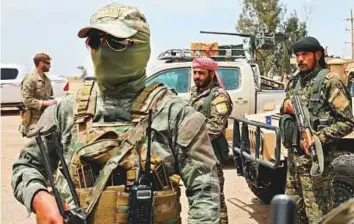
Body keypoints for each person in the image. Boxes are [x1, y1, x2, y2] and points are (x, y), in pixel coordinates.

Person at [11, 2, 221, 224]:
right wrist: (39, 197)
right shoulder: (65, 112)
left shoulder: (176, 115)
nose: (102, 51)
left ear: (141, 48)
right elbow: (26, 165)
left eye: (116, 42)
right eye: (94, 41)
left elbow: (205, 193)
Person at [280, 36, 354, 223]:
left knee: (318, 217)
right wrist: (285, 105)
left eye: (305, 54)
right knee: (292, 215)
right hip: (294, 163)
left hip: (315, 165)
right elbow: (286, 108)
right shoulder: (295, 82)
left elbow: (348, 122)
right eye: (297, 55)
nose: (300, 59)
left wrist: (318, 137)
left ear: (318, 55)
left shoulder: (330, 82)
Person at [189, 57, 233, 224]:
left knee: (215, 200)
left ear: (211, 73)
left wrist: (187, 137)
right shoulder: (196, 92)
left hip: (211, 155)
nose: (197, 76)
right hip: (197, 155)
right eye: (195, 72)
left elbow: (215, 128)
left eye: (201, 72)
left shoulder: (219, 96)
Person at [19, 52, 56, 137]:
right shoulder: (30, 79)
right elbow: (27, 100)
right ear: (41, 64)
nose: (50, 66)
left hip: (46, 118)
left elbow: (50, 96)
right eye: (48, 63)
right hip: (34, 121)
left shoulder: (47, 80)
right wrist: (44, 103)